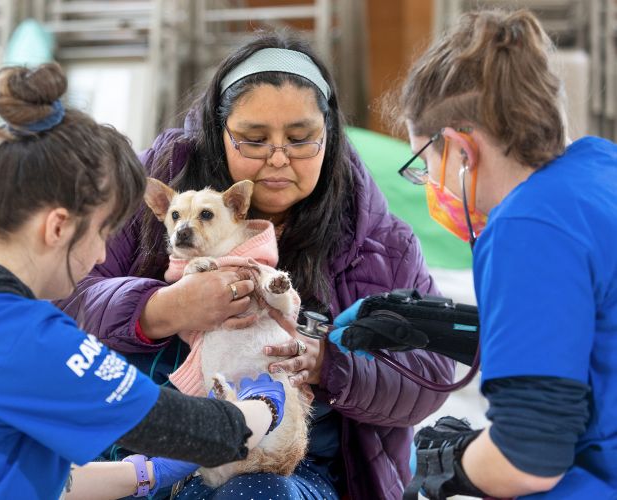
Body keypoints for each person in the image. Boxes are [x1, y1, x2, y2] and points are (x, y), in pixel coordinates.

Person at [59, 31, 455, 499]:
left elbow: (430, 374)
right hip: (132, 447)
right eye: (253, 139)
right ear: (218, 131)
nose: (279, 158)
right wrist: (163, 309)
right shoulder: (161, 184)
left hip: (293, 467)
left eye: (301, 138)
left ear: (328, 135)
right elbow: (62, 294)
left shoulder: (380, 241)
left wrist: (329, 363)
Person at [0, 63, 288, 499]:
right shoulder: (29, 339)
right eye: (103, 234)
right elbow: (205, 434)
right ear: (57, 228)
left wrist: (146, 474)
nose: (100, 256)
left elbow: (36, 480)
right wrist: (267, 400)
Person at [333, 8, 617, 499]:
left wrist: (453, 462)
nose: (429, 185)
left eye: (425, 166)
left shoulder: (527, 226)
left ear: (462, 151)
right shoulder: (599, 169)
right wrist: (440, 327)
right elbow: (575, 329)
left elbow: (528, 458)